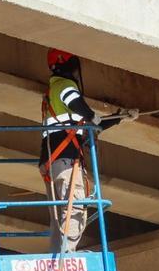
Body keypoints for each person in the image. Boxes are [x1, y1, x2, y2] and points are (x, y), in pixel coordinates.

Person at [40, 50, 137, 253]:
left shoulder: (53, 91)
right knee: (74, 209)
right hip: (65, 159)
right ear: (66, 65)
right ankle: (66, 259)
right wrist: (92, 115)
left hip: (53, 161)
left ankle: (59, 256)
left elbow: (87, 128)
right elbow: (77, 104)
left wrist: (119, 117)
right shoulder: (64, 86)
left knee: (59, 215)